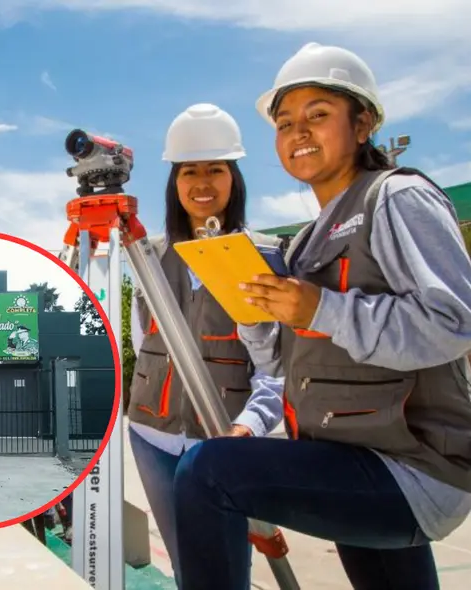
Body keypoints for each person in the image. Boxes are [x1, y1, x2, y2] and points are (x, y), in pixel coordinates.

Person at [171, 42, 471, 590]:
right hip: (347, 455)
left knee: (205, 473)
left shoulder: (397, 197)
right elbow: (287, 360)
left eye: (318, 116)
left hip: (409, 467)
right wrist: (257, 317)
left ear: (364, 124)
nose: (298, 133)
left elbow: (452, 324)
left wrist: (320, 306)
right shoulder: (309, 239)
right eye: (285, 124)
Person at [127, 103, 284, 586]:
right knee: (184, 565)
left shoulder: (266, 257)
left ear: (234, 178)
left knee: (227, 569)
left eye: (216, 169)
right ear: (173, 183)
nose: (202, 182)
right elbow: (142, 341)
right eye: (188, 170)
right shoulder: (148, 257)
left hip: (222, 444)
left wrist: (247, 430)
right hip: (151, 437)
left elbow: (276, 370)